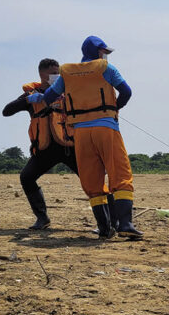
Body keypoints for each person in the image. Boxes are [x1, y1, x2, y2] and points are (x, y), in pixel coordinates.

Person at [27, 36, 142, 239]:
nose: (105, 55)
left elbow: (49, 98)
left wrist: (36, 98)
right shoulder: (106, 68)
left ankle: (105, 229)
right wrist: (115, 108)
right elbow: (126, 91)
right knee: (121, 175)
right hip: (106, 129)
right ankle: (125, 224)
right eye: (103, 52)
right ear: (97, 52)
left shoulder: (67, 74)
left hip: (80, 134)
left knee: (92, 180)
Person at [2, 58, 78, 230]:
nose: (56, 76)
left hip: (68, 147)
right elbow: (6, 111)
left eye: (58, 73)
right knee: (26, 177)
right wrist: (28, 101)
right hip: (44, 150)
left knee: (91, 179)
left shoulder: (67, 92)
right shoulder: (31, 94)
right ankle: (42, 218)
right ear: (42, 74)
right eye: (52, 73)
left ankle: (108, 220)